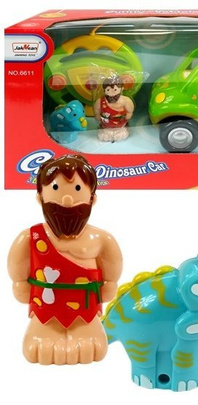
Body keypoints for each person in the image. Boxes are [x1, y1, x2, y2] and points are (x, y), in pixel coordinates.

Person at [8, 155, 123, 364]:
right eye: (56, 189)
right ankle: (45, 332)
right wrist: (19, 283)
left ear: (92, 199)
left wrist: (110, 283)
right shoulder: (32, 237)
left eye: (77, 189)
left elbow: (112, 265)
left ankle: (85, 331)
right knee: (40, 341)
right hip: (45, 306)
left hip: (86, 307)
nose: (67, 200)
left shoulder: (100, 238)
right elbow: (17, 265)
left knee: (91, 340)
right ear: (40, 198)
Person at [93, 75, 134, 142]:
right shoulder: (100, 101)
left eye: (115, 89)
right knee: (105, 134)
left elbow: (130, 111)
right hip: (106, 127)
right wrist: (98, 116)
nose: (112, 92)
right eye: (108, 90)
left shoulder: (126, 101)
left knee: (121, 134)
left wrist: (128, 116)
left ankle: (119, 132)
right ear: (104, 90)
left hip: (121, 127)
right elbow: (97, 111)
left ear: (122, 89)